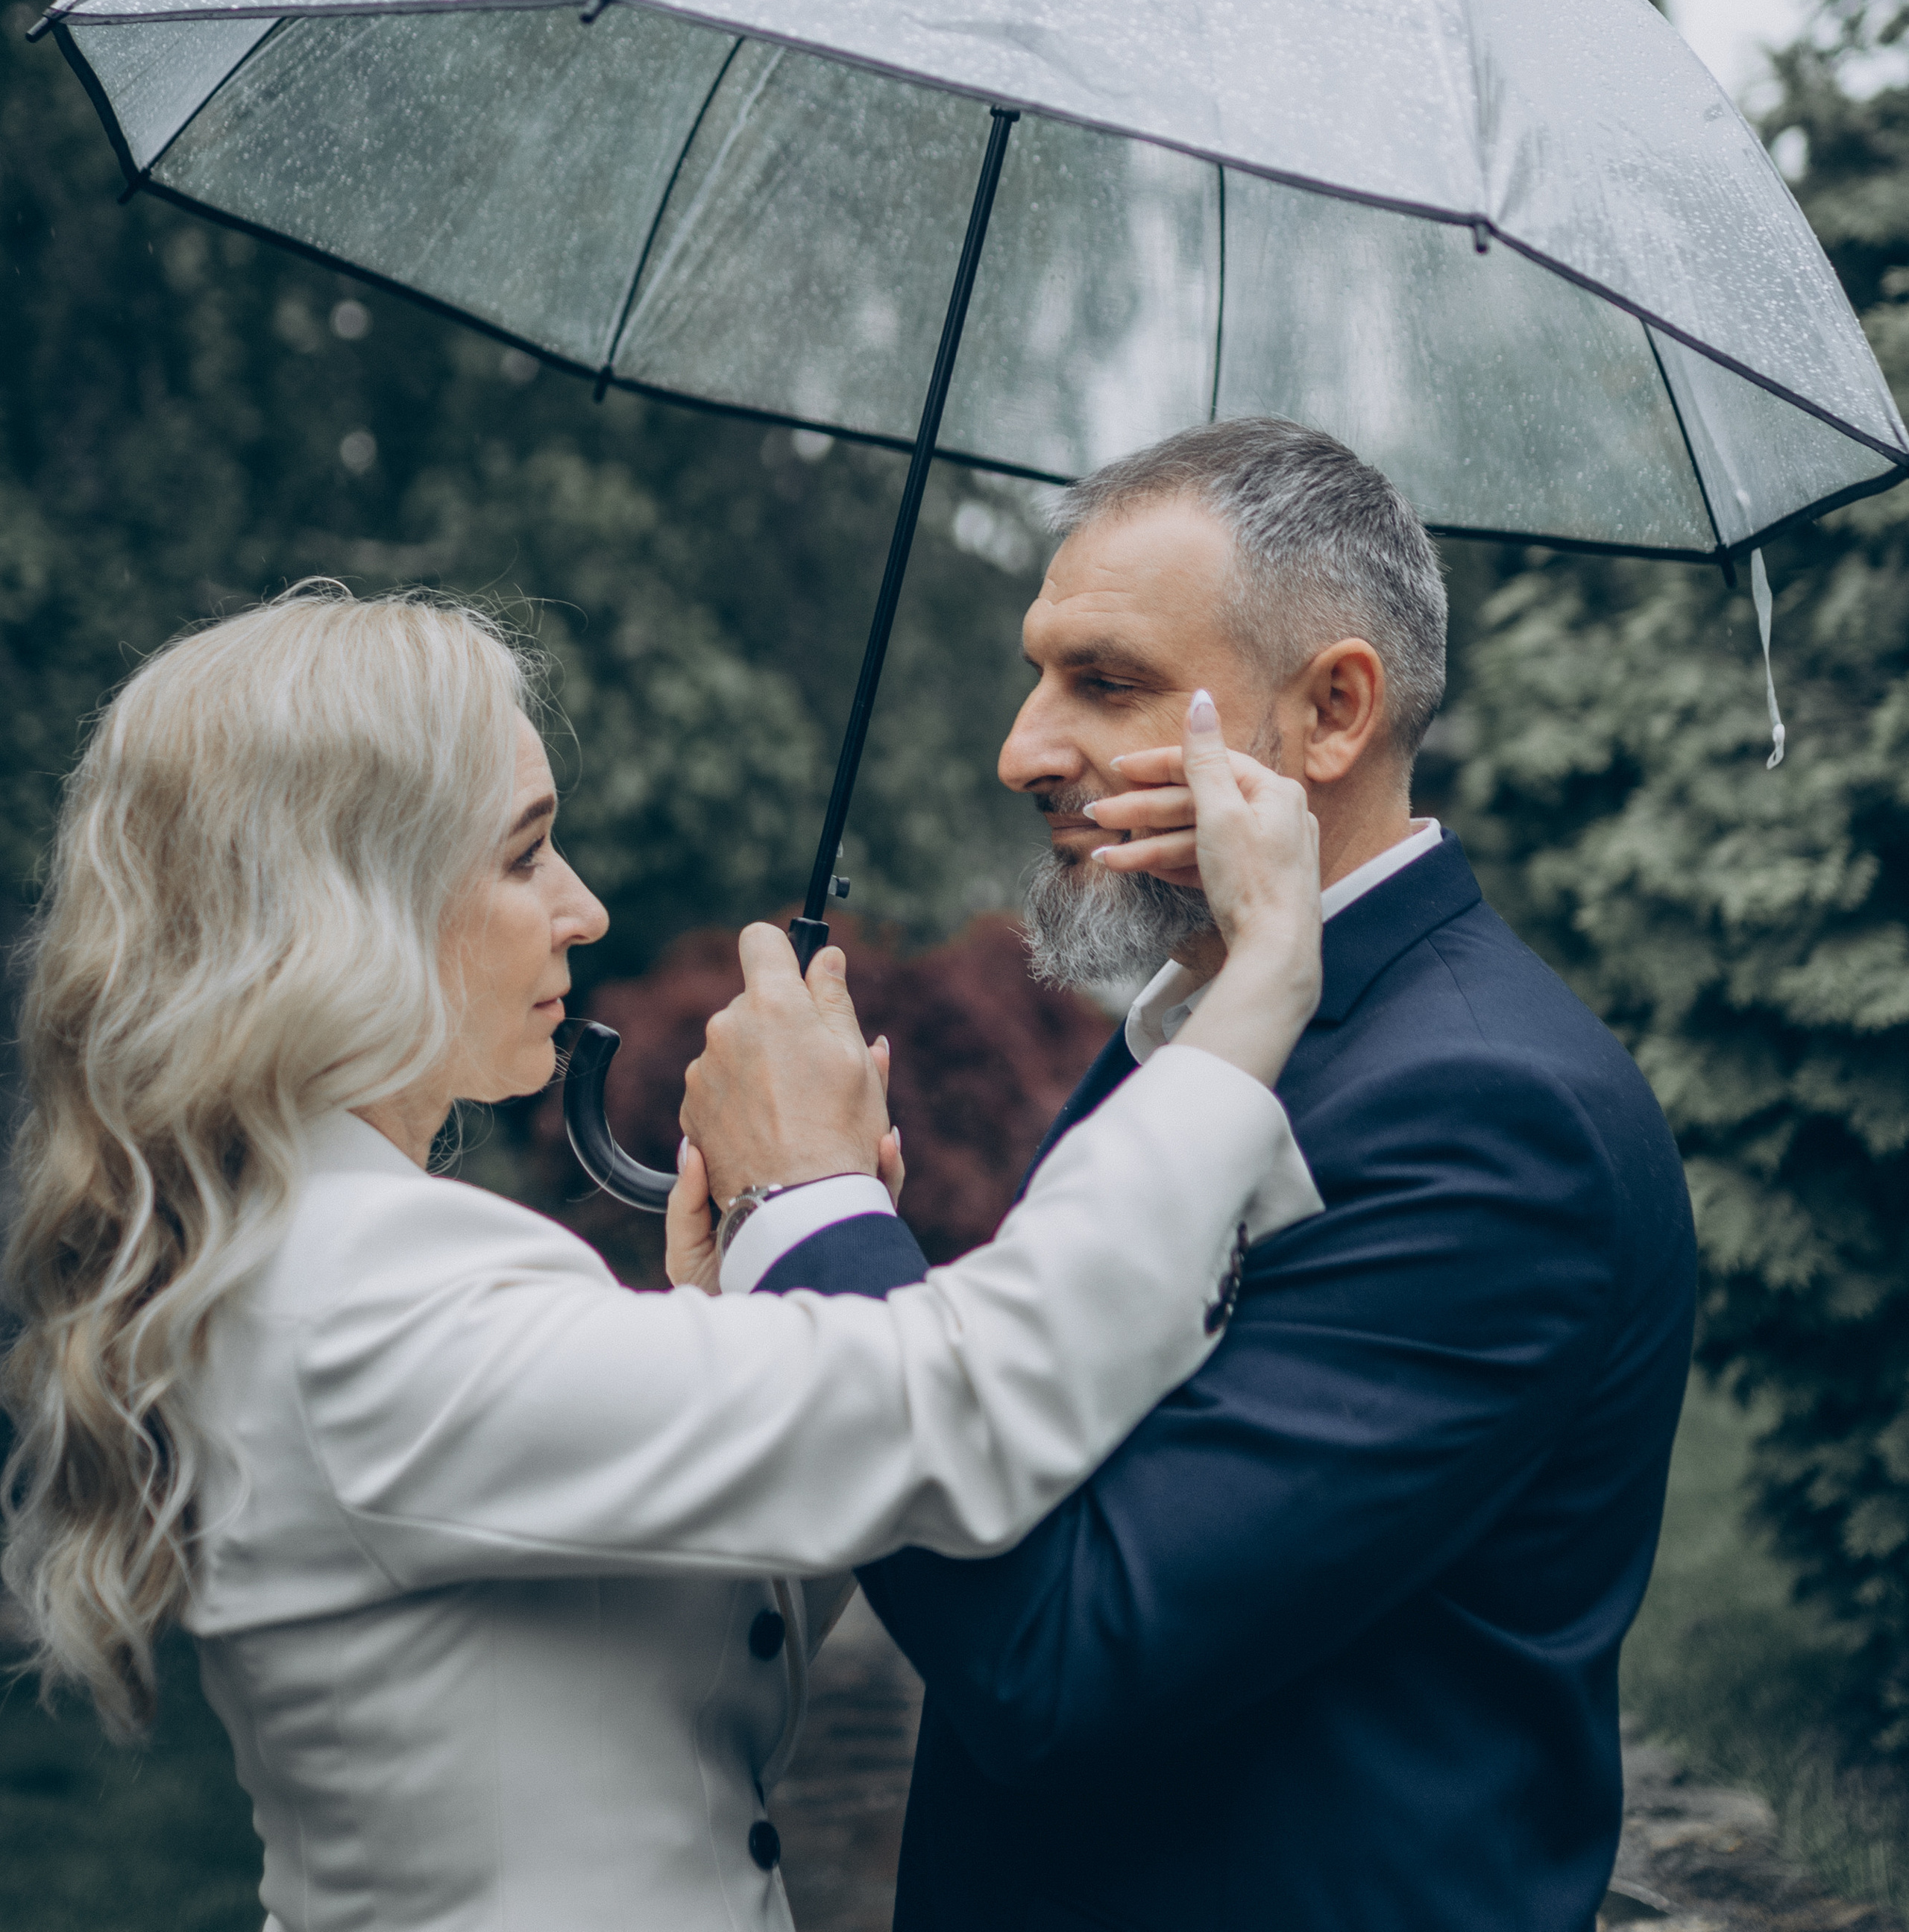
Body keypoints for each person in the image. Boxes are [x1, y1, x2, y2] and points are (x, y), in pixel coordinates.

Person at [0, 585, 1328, 1932]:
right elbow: (969, 1404)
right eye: (524, 857)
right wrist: (1262, 980)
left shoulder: (341, 1259)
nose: (582, 909)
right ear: (341, 912)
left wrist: (728, 1300)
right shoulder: (360, 1300)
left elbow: (679, 1641)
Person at [738, 418, 1699, 1932]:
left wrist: (803, 1216)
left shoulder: (1485, 1117)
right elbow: (1027, 1436)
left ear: (1329, 711)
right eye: (1037, 670)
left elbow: (1064, 1654)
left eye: (1102, 683)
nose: (1019, 749)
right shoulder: (1208, 1027)